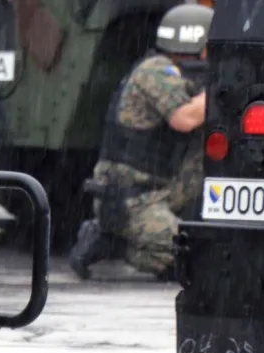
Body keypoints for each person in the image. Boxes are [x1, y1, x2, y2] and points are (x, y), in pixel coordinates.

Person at [68, 2, 213, 281]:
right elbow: (185, 118)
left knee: (213, 250)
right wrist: (223, 90)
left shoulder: (181, 73)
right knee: (192, 256)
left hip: (159, 188)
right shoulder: (155, 71)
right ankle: (109, 241)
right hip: (132, 198)